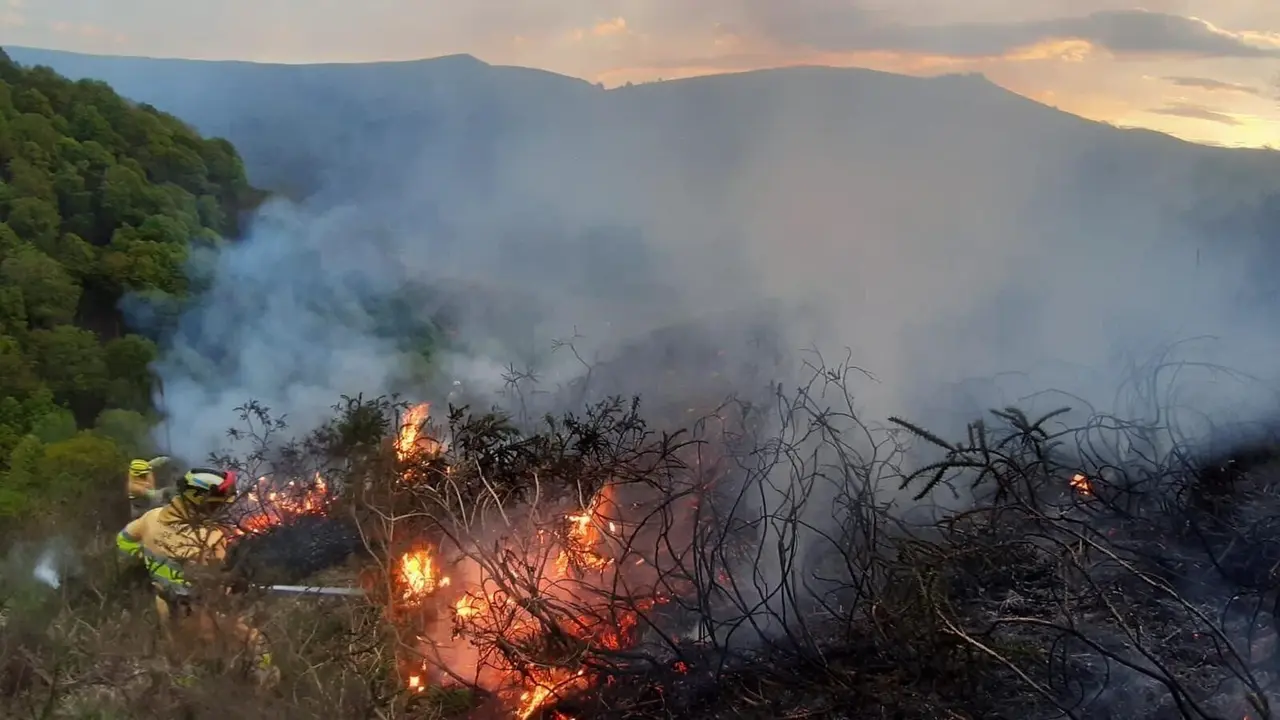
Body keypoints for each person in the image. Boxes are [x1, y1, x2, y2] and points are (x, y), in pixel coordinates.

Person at [116, 467, 277, 687]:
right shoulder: (209, 537)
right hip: (199, 611)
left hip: (165, 607)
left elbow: (123, 540)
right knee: (256, 643)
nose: (217, 509)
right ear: (198, 500)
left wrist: (146, 557)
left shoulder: (151, 518)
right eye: (214, 503)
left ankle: (188, 704)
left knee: (185, 667)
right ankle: (263, 694)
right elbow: (215, 587)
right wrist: (236, 585)